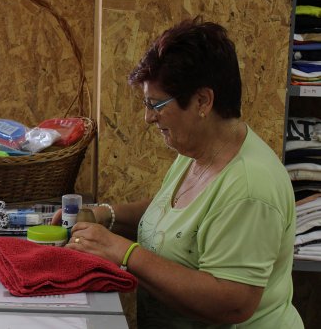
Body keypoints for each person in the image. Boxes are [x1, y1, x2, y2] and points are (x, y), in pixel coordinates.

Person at [54, 17, 303, 328]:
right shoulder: (197, 151)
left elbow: (233, 303)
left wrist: (123, 252)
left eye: (157, 104)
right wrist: (106, 214)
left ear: (202, 101)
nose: (147, 118)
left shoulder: (250, 188)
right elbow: (173, 218)